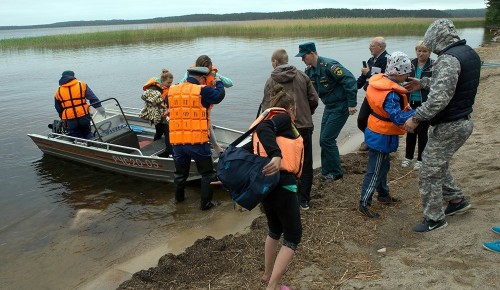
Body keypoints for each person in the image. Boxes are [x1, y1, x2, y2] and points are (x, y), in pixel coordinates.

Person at [404, 19, 481, 233]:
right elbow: (454, 83)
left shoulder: (449, 59)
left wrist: (416, 118)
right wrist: (423, 83)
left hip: (451, 124)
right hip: (462, 120)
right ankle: (456, 200)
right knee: (439, 163)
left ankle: (434, 218)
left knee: (428, 170)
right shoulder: (468, 53)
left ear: (436, 39)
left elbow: (439, 99)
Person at [251, 84, 303, 290]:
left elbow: (249, 148)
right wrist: (277, 154)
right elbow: (265, 130)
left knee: (274, 229)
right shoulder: (281, 119)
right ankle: (272, 286)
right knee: (293, 236)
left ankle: (267, 275)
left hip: (266, 185)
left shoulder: (264, 118)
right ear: (290, 108)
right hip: (282, 185)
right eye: (295, 110)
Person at [357, 52, 415, 219]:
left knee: (384, 165)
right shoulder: (391, 93)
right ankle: (364, 203)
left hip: (378, 130)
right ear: (397, 72)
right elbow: (396, 118)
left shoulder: (378, 82)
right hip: (381, 134)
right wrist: (419, 112)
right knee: (374, 170)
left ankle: (383, 194)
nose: (408, 75)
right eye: (406, 72)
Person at [262, 48, 319, 210]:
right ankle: (304, 200)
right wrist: (307, 112)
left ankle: (287, 198)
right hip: (304, 125)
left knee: (284, 163)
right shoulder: (303, 76)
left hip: (281, 129)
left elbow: (267, 108)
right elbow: (314, 99)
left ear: (275, 62)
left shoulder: (271, 80)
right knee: (305, 163)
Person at [296, 42, 357, 182]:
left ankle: (336, 172)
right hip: (329, 106)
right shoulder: (310, 71)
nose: (302, 59)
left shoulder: (330, 66)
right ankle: (325, 170)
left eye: (304, 56)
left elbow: (349, 80)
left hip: (341, 105)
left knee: (327, 139)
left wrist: (352, 103)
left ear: (312, 53)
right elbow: (310, 93)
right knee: (323, 139)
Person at [168, 66, 225, 210]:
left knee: (180, 175)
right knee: (208, 174)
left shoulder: (172, 90)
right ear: (202, 78)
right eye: (204, 79)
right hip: (197, 142)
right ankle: (205, 205)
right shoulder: (202, 90)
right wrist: (219, 83)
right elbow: (218, 96)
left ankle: (179, 202)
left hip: (177, 142)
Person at [181, 55, 233, 153]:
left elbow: (230, 83)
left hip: (204, 104)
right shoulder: (188, 75)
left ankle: (214, 145)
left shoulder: (213, 75)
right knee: (203, 125)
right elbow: (181, 84)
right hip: (192, 103)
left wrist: (218, 79)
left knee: (207, 124)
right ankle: (213, 146)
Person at [401, 41, 433, 170]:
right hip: (410, 102)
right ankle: (408, 157)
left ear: (429, 52)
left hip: (425, 103)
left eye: (424, 51)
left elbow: (437, 84)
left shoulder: (433, 65)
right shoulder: (410, 64)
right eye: (419, 50)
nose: (421, 53)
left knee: (422, 132)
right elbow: (403, 79)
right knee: (410, 130)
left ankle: (420, 159)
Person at [356, 37, 389, 151]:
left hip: (381, 97)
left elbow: (385, 78)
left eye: (372, 46)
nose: (369, 48)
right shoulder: (370, 60)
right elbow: (362, 78)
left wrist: (368, 73)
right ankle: (369, 139)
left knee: (377, 121)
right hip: (370, 94)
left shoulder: (387, 60)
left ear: (381, 47)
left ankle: (372, 142)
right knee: (361, 120)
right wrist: (350, 88)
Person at [54, 70, 104, 139]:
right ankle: (93, 145)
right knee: (87, 132)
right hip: (83, 115)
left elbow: (58, 108)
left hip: (70, 118)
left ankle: (80, 146)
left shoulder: (58, 91)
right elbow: (93, 99)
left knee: (76, 136)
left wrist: (63, 119)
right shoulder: (82, 85)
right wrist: (101, 110)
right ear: (73, 76)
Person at [139, 68, 174, 155]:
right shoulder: (156, 90)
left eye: (171, 82)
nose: (170, 84)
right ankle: (170, 152)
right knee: (167, 132)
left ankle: (155, 144)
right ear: (162, 81)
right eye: (169, 82)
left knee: (159, 131)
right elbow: (150, 99)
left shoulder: (166, 88)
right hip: (159, 114)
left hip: (162, 113)